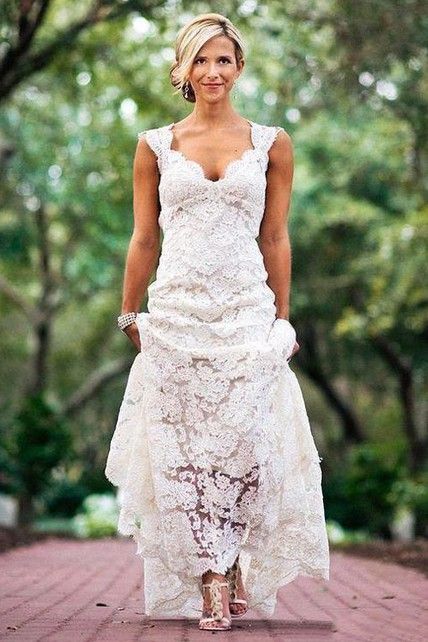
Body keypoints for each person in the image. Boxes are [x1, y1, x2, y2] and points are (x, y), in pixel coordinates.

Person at [105, 12, 330, 633]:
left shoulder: (271, 144)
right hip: (176, 313)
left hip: (246, 312)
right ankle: (210, 577)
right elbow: (143, 237)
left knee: (246, 442)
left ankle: (232, 563)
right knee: (185, 448)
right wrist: (131, 315)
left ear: (239, 68)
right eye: (201, 59)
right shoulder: (154, 145)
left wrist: (282, 320)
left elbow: (276, 236)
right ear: (183, 68)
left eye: (223, 60)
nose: (212, 71)